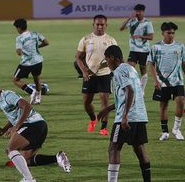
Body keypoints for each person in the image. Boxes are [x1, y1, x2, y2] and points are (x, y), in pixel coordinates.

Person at [0, 76, 71, 182]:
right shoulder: (1, 100)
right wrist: (3, 130)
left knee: (10, 149)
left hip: (33, 124)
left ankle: (28, 179)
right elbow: (14, 117)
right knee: (25, 160)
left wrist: (16, 127)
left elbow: (27, 106)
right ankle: (58, 157)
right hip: (39, 126)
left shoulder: (7, 95)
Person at [98, 45, 151, 182]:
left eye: (107, 59)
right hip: (140, 115)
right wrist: (107, 109)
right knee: (139, 149)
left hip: (128, 117)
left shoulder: (119, 71)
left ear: (113, 58)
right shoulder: (131, 69)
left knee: (113, 148)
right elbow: (127, 96)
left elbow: (130, 92)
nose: (107, 63)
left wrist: (125, 116)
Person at [75, 14, 117, 135]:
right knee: (86, 103)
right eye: (97, 24)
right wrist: (84, 71)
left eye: (102, 24)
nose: (99, 26)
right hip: (89, 75)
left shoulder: (111, 40)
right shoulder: (86, 39)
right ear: (93, 25)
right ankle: (93, 119)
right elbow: (78, 57)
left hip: (105, 74)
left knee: (104, 100)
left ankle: (103, 127)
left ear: (106, 25)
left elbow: (116, 58)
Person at [148, 22, 185, 141]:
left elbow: (183, 64)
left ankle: (176, 129)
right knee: (163, 105)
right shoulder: (156, 47)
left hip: (178, 81)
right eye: (169, 33)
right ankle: (165, 132)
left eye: (173, 33)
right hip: (162, 82)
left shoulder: (180, 46)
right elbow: (152, 65)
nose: (171, 35)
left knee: (180, 101)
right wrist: (155, 80)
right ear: (163, 33)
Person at [13, 18, 49, 105]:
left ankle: (31, 91)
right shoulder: (35, 33)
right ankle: (38, 98)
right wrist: (37, 47)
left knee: (16, 80)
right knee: (37, 79)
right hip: (38, 61)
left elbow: (19, 52)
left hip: (27, 63)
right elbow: (46, 42)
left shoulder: (19, 38)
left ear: (19, 28)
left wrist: (20, 52)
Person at [120, 4, 154, 95]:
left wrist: (140, 36)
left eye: (140, 11)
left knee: (143, 68)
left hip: (144, 50)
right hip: (133, 50)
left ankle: (141, 90)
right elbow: (121, 28)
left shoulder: (147, 22)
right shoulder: (132, 21)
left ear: (143, 12)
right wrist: (128, 18)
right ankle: (130, 88)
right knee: (129, 69)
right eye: (137, 11)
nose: (138, 13)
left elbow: (151, 37)